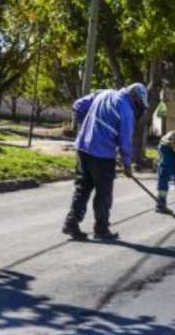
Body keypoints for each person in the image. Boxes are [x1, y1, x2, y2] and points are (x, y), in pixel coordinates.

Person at [62, 83, 149, 240]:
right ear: (135, 99)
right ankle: (101, 230)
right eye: (140, 104)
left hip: (83, 148)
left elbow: (78, 105)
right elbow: (125, 142)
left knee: (82, 188)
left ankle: (71, 223)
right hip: (102, 155)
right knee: (103, 194)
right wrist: (127, 165)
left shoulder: (104, 93)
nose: (139, 108)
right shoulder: (127, 110)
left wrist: (86, 127)